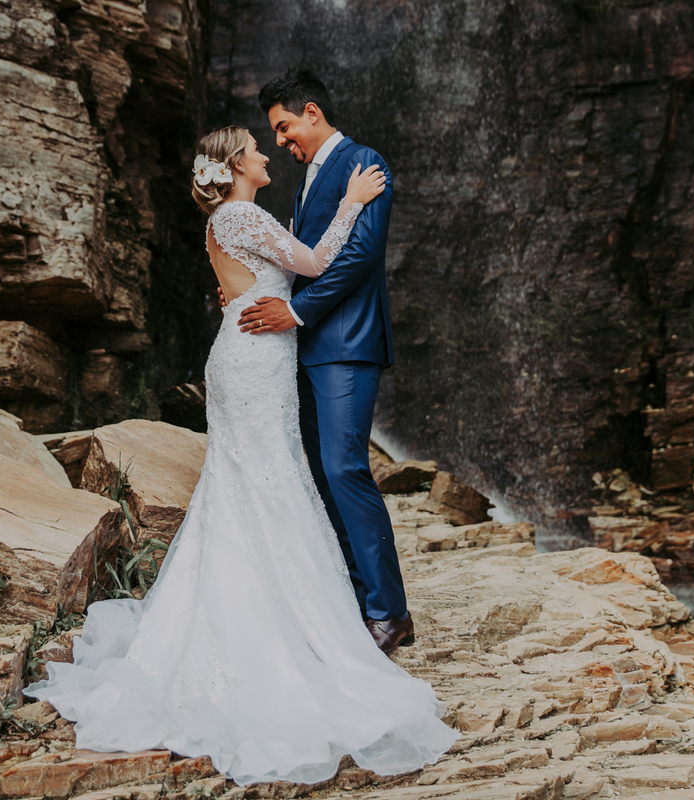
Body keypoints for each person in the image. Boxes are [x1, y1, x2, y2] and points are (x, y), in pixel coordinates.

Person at [23, 124, 457, 786]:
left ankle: (267, 619)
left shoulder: (232, 218)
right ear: (234, 165)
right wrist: (351, 204)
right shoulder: (243, 213)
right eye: (257, 146)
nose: (267, 151)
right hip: (255, 364)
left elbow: (259, 279)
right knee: (268, 483)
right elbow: (312, 265)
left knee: (247, 489)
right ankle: (293, 631)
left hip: (250, 356)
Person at [236, 68, 412, 653]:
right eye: (276, 135)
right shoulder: (309, 179)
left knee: (344, 469)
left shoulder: (364, 162)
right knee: (317, 473)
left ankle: (390, 612)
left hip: (344, 344)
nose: (282, 141)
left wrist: (297, 313)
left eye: (284, 127)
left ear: (312, 112)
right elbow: (304, 259)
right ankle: (360, 604)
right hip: (306, 349)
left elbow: (360, 254)